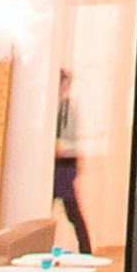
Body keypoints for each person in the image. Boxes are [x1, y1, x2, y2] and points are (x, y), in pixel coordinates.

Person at [51, 69, 93, 253]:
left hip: (65, 163)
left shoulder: (68, 107)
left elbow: (70, 139)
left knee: (72, 210)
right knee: (66, 210)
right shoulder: (55, 106)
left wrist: (60, 147)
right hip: (58, 163)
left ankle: (86, 251)